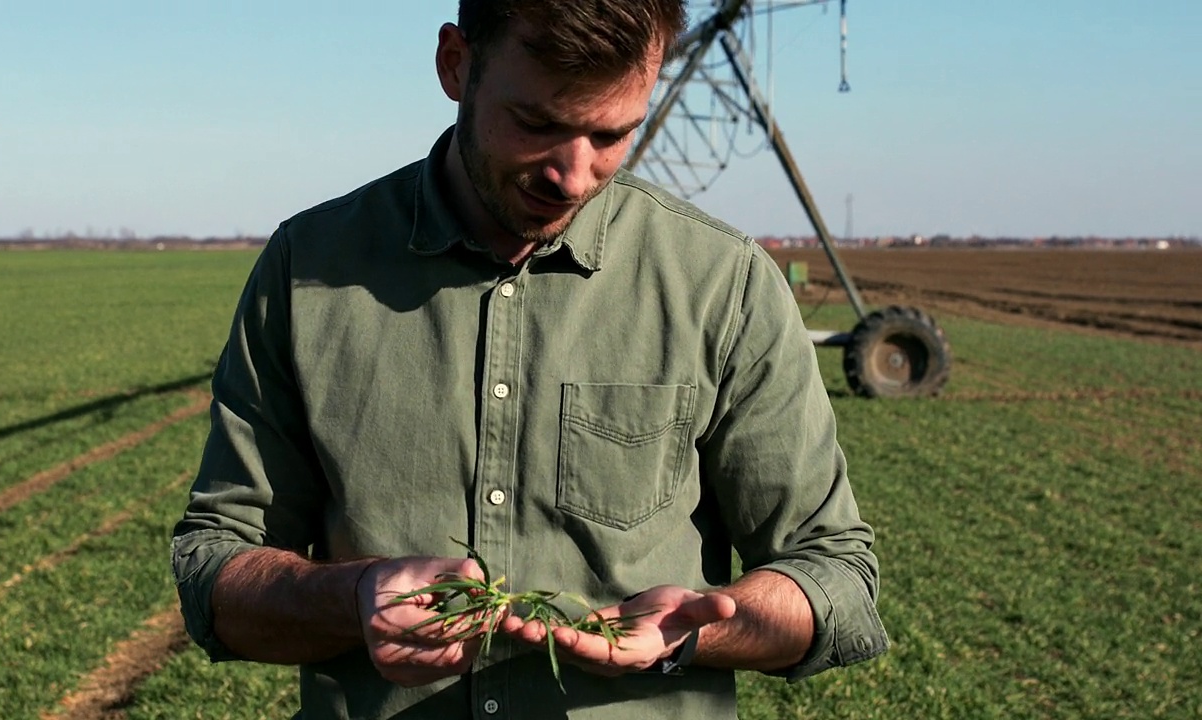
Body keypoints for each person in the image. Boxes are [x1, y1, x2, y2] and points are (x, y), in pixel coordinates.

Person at [170, 1, 888, 718]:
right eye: (537, 124)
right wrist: (349, 597)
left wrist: (693, 631)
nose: (573, 175)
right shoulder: (309, 270)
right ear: (456, 65)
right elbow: (216, 568)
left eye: (612, 134)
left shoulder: (722, 284)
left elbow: (836, 574)